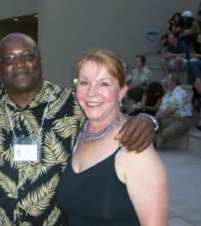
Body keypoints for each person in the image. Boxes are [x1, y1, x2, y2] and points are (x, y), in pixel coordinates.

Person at [0, 33, 157, 225]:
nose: (19, 64)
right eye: (8, 59)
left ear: (40, 59)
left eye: (28, 56)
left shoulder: (73, 103)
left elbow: (112, 120)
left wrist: (147, 119)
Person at [57, 49, 169, 225]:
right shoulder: (74, 134)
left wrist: (148, 119)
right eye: (84, 82)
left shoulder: (135, 148)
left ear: (122, 92)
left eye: (104, 84)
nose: (91, 92)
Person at [155, 73, 193, 149]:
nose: (166, 81)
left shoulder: (180, 92)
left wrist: (158, 118)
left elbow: (171, 110)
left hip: (183, 120)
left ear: (174, 81)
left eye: (168, 80)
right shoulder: (167, 95)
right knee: (153, 124)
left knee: (168, 131)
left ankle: (157, 143)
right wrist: (155, 119)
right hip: (170, 118)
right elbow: (161, 109)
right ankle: (153, 140)